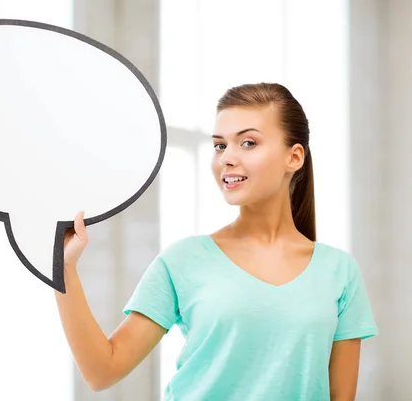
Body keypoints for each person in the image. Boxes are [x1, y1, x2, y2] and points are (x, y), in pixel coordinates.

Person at [55, 82, 378, 400]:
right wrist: (65, 267)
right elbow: (102, 371)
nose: (226, 158)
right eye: (220, 145)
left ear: (293, 157)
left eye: (248, 143)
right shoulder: (184, 260)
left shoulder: (338, 271)